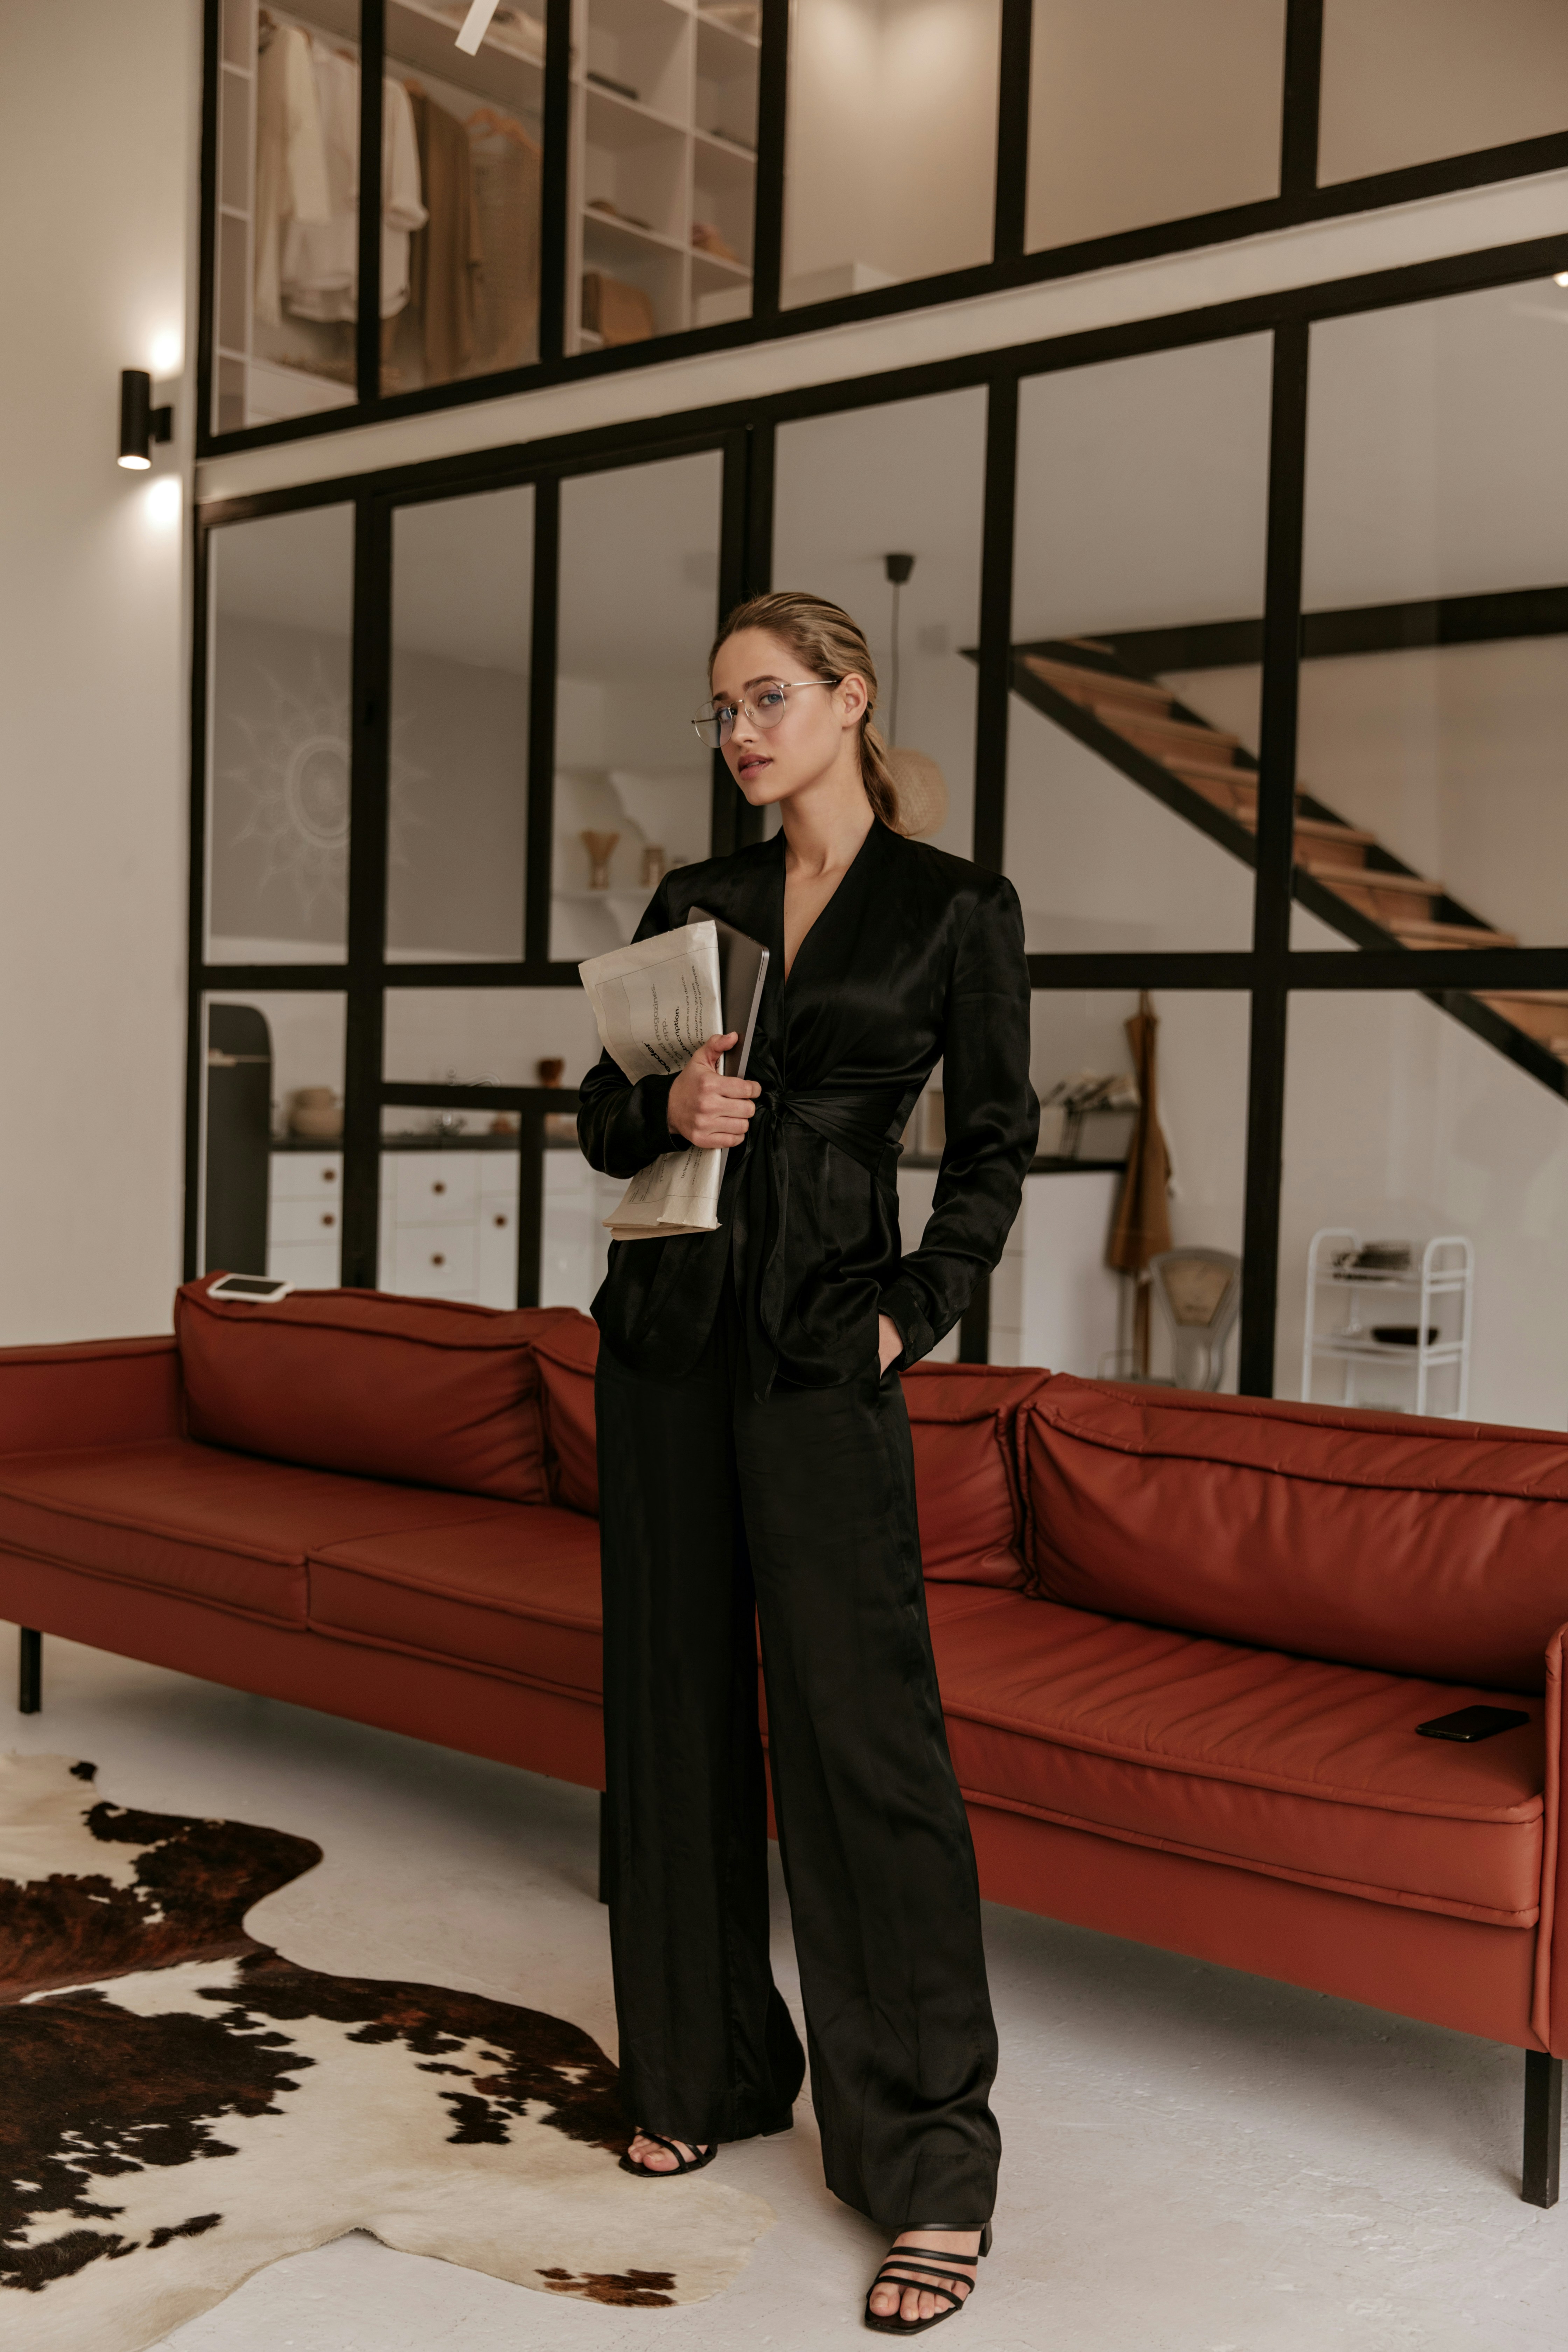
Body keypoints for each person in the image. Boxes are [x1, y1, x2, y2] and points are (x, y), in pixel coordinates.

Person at [577, 590, 1038, 2334]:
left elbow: (994, 1146)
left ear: (849, 701)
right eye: (720, 711)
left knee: (866, 1740)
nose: (741, 732)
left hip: (825, 1339)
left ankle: (930, 2161)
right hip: (670, 1336)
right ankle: (700, 2071)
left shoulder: (956, 910)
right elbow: (608, 1110)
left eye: (767, 699)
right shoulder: (695, 903)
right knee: (676, 1708)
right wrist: (663, 1110)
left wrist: (912, 1313)